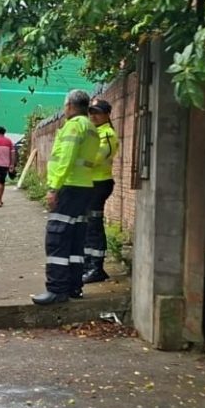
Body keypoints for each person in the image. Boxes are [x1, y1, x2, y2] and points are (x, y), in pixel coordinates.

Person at [33, 89, 99, 305]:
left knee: (57, 238)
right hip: (84, 188)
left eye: (65, 105)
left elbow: (67, 159)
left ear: (70, 105)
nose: (64, 109)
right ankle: (73, 287)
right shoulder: (91, 128)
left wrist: (53, 188)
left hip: (69, 187)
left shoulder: (73, 126)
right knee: (75, 239)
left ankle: (57, 289)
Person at [82, 98, 121, 285]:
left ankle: (96, 267)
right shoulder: (94, 132)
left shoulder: (107, 135)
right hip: (90, 183)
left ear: (107, 114)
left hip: (99, 184)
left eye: (97, 112)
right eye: (91, 112)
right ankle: (88, 264)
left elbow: (94, 159)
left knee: (94, 225)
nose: (93, 116)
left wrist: (75, 159)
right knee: (87, 225)